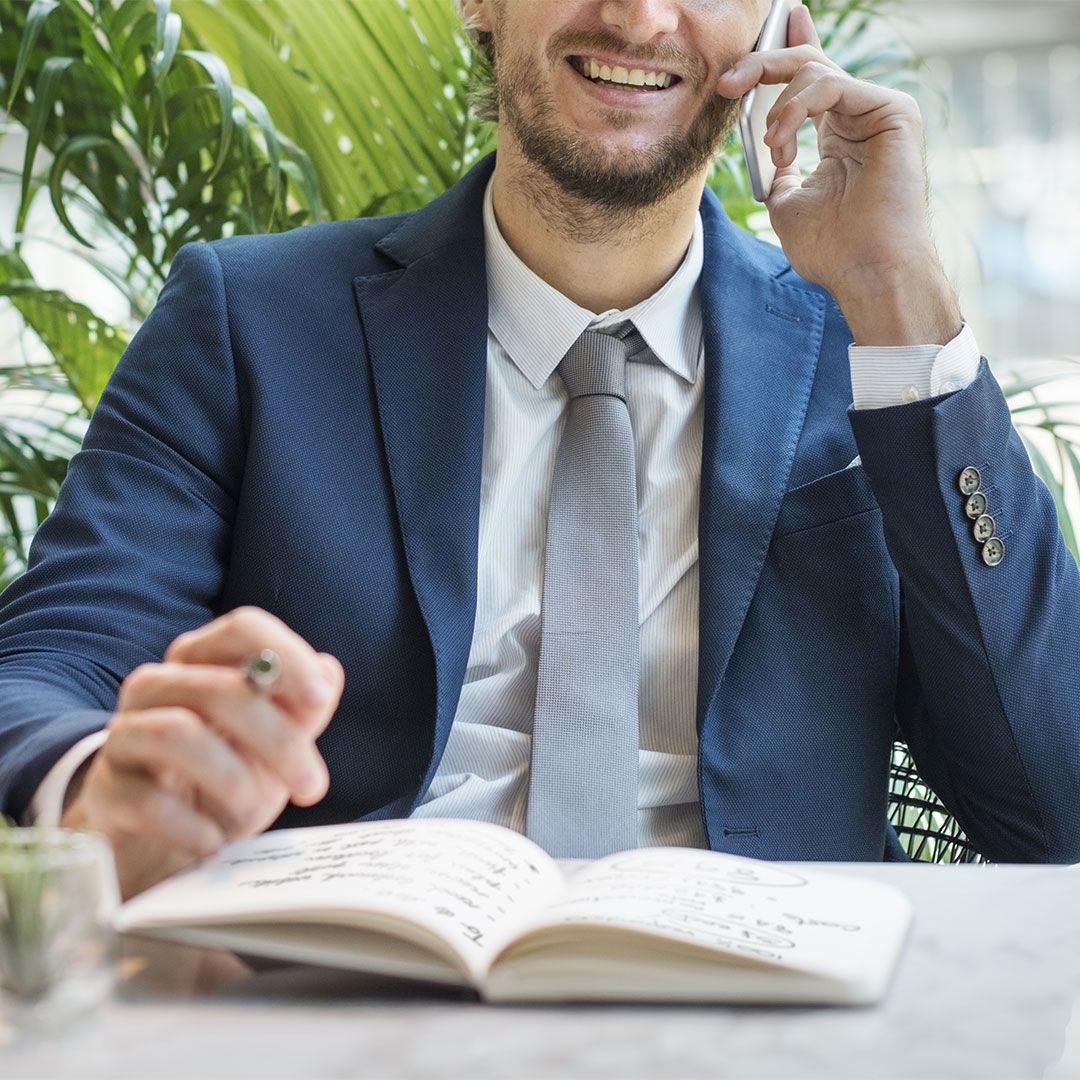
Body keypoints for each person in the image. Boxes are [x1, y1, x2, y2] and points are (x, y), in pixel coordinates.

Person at [0, 0, 1077, 899]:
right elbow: (46, 667)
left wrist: (899, 292)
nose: (638, 18)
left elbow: (1055, 804)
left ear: (772, 22)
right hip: (350, 996)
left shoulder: (871, 354)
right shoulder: (247, 320)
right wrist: (99, 783)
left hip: (764, 1010)